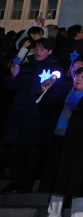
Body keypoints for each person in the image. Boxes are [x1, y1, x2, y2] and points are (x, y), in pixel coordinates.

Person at [1, 38, 64, 194]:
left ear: (49, 51)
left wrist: (45, 93)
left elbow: (55, 93)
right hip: (19, 114)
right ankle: (14, 182)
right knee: (16, 151)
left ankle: (26, 184)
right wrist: (13, 76)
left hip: (38, 115)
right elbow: (10, 86)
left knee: (32, 152)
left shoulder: (54, 69)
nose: (38, 51)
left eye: (42, 49)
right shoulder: (25, 66)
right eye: (36, 48)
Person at [38, 67, 83, 217]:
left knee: (78, 178)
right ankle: (53, 215)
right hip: (60, 140)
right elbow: (48, 110)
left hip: (80, 143)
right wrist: (43, 92)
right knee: (57, 177)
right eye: (77, 75)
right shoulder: (65, 94)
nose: (78, 78)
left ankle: (77, 216)